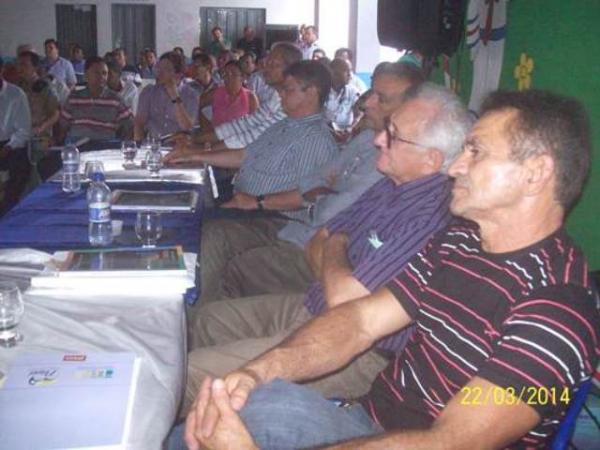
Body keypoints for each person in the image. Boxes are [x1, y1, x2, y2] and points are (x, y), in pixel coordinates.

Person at [183, 89, 600, 450]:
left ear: (536, 173)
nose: (455, 166)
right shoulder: (460, 242)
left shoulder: (558, 309)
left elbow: (450, 442)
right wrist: (259, 371)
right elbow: (361, 321)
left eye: (476, 152)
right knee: (227, 409)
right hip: (370, 423)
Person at [184, 82, 470, 412]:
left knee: (191, 375)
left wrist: (337, 241)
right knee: (204, 322)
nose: (379, 139)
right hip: (312, 306)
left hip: (360, 353)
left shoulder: (432, 214)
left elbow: (345, 299)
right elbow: (316, 243)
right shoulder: (391, 185)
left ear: (431, 160)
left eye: (393, 135)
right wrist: (336, 256)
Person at [195, 62, 424, 305]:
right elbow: (314, 182)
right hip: (293, 227)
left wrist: (307, 196)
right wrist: (322, 192)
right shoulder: (366, 138)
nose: (367, 102)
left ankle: (209, 319)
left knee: (233, 260)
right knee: (210, 229)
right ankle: (205, 316)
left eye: (382, 98)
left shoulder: (394, 158)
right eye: (372, 93)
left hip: (311, 239)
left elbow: (331, 211)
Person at [167, 60, 338, 217]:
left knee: (196, 221)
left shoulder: (315, 138)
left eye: (288, 90)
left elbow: (312, 193)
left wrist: (257, 202)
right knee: (187, 199)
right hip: (244, 199)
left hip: (272, 217)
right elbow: (243, 155)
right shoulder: (285, 123)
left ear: (312, 93)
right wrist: (193, 155)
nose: (281, 95)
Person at [164, 42, 302, 155]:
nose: (266, 67)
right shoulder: (275, 97)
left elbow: (251, 137)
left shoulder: (291, 106)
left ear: (291, 69)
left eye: (273, 64)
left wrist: (197, 150)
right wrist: (194, 139)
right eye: (267, 62)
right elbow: (242, 125)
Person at [58, 56, 133, 142]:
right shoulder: (74, 98)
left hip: (104, 147)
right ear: (86, 75)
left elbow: (130, 126)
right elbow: (62, 127)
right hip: (77, 146)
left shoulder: (115, 100)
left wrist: (122, 144)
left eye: (104, 73)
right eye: (96, 73)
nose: (101, 77)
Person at [16, 50, 61, 180]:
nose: (20, 68)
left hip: (40, 137)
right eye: (18, 65)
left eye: (24, 65)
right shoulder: (17, 88)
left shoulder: (45, 87)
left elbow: (56, 113)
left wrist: (40, 128)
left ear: (35, 67)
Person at [134, 51, 198, 140]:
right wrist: (138, 145)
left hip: (179, 146)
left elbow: (187, 127)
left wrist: (175, 96)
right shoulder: (148, 92)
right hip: (153, 144)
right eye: (159, 67)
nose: (160, 72)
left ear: (178, 74)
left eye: (166, 69)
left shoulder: (190, 95)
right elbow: (139, 123)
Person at [0, 56, 31, 215]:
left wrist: (8, 146)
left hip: (10, 146)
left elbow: (24, 130)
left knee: (19, 167)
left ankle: (7, 212)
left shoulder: (15, 94)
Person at [201, 61, 258, 128]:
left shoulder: (250, 98)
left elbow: (255, 125)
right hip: (216, 135)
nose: (228, 77)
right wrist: (206, 128)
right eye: (225, 74)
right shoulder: (215, 93)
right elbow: (200, 103)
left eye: (233, 74)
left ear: (242, 77)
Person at [325, 58, 361, 130]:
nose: (350, 75)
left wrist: (350, 129)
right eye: (346, 71)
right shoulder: (322, 90)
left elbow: (359, 115)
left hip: (346, 132)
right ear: (335, 74)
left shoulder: (352, 91)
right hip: (324, 131)